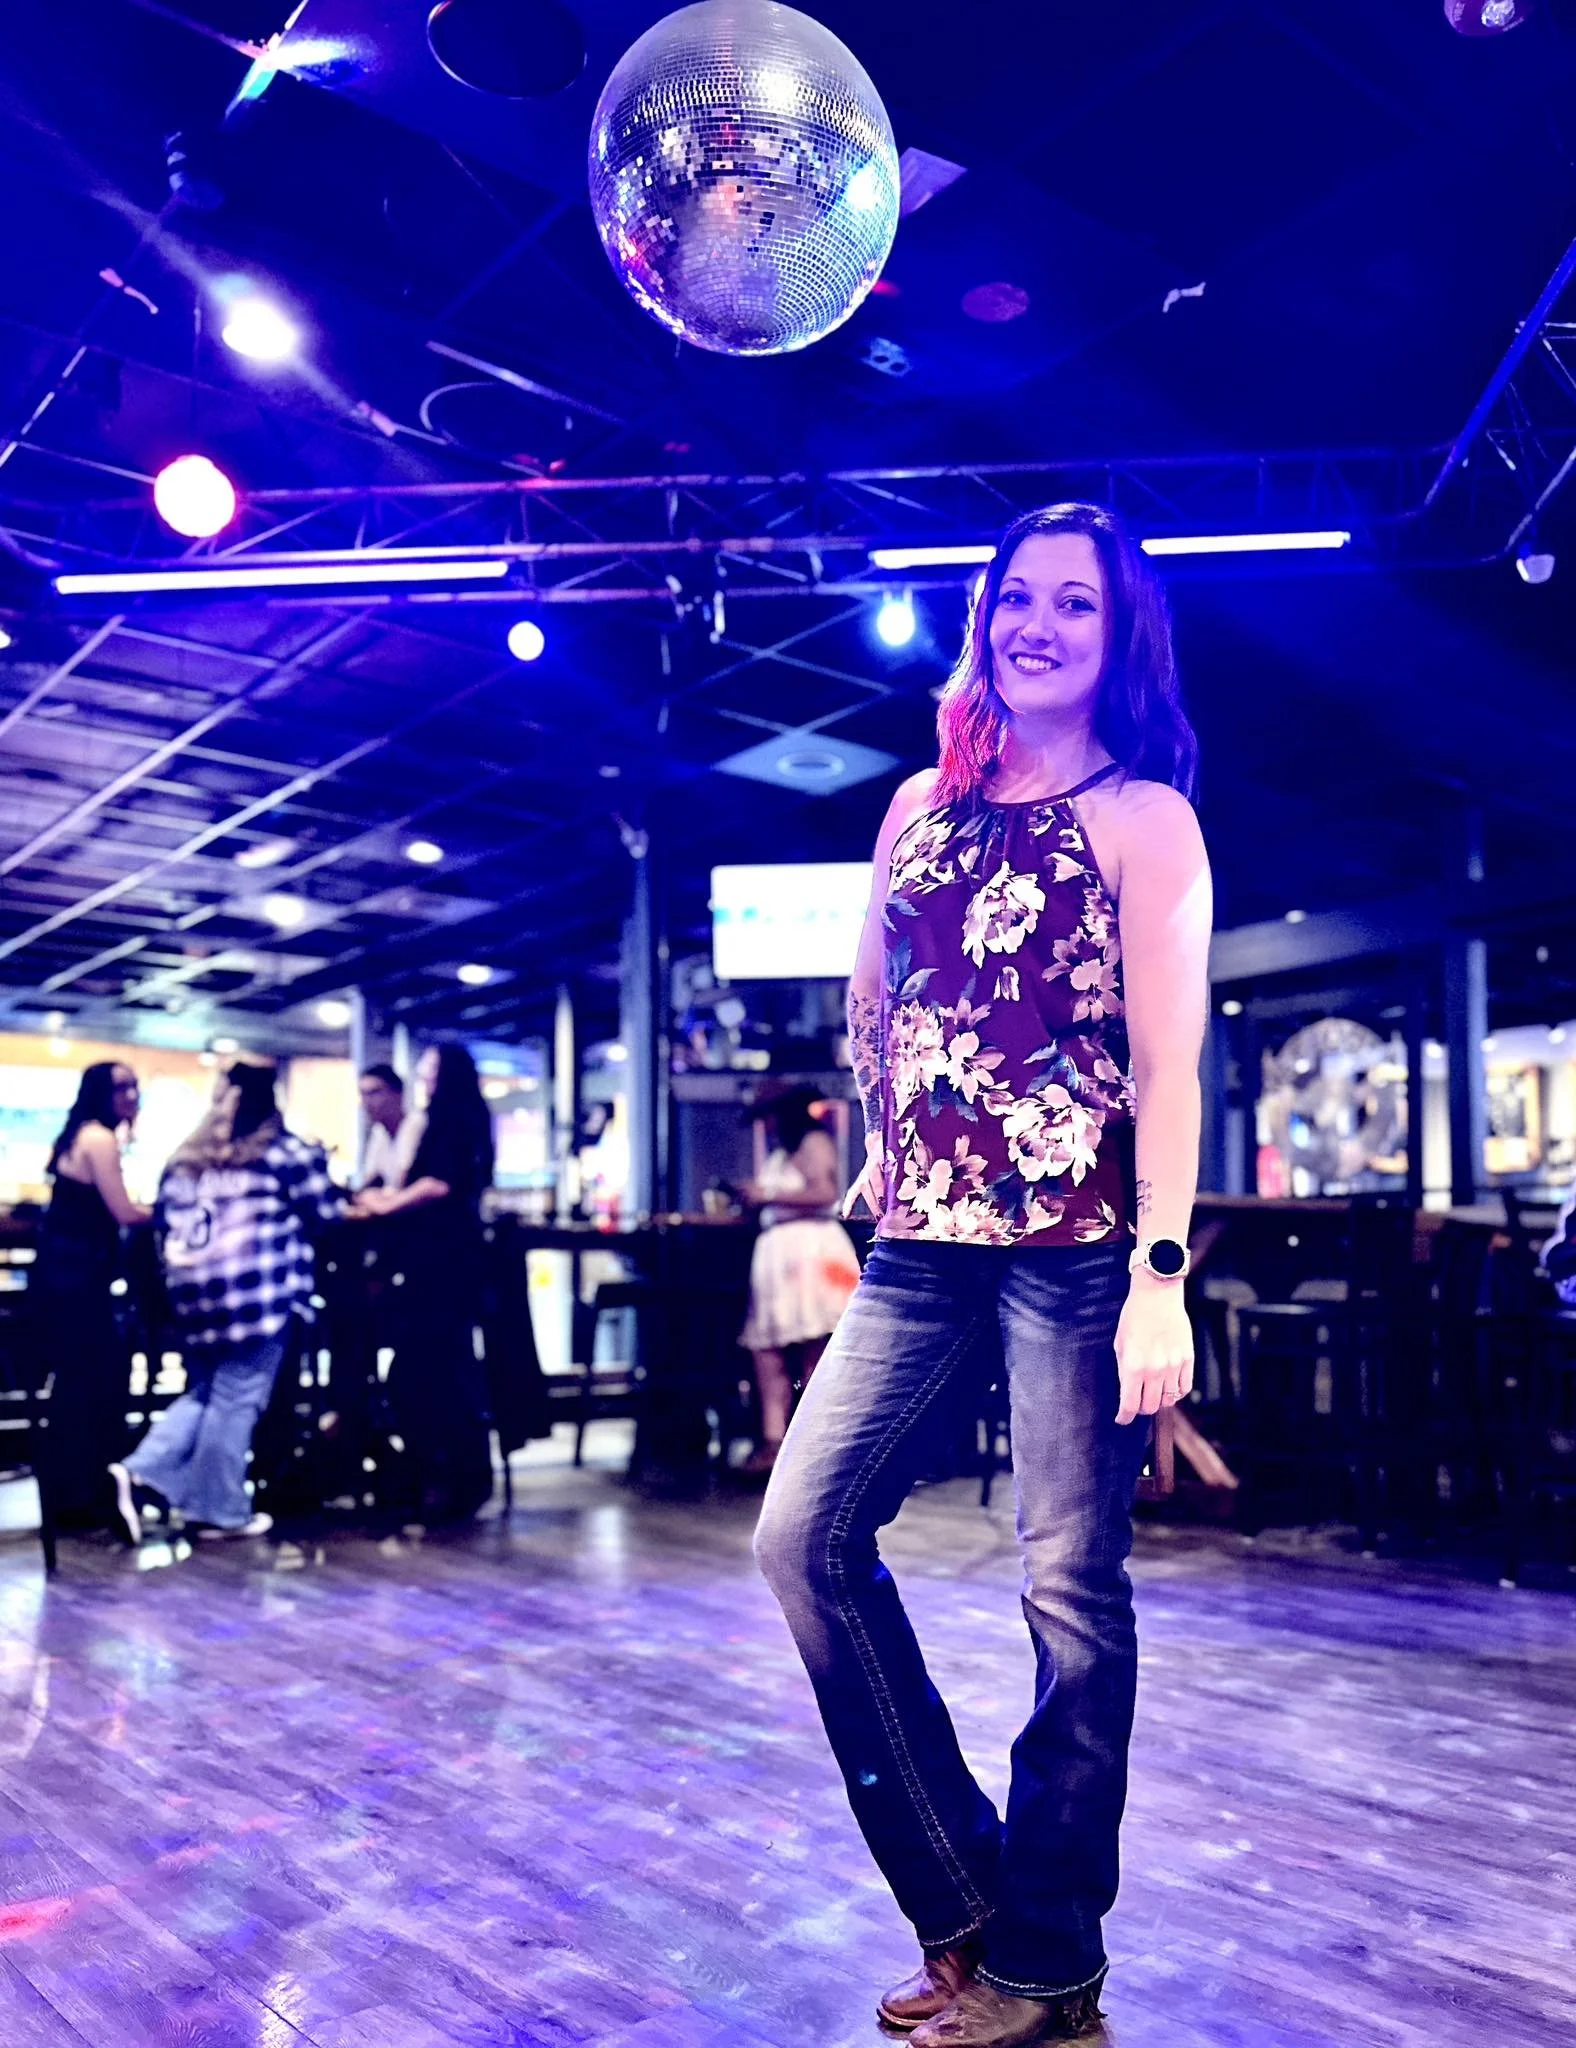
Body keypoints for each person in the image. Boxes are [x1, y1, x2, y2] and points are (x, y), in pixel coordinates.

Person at [753, 502, 1212, 2047]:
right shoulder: (914, 806)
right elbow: (871, 997)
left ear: (1117, 636)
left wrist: (1163, 1271)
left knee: (1068, 1597)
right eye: (1018, 597)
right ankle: (968, 1904)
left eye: (1074, 605)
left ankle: (1047, 1966)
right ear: (986, 618)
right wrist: (882, 1138)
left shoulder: (1146, 817)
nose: (1038, 623)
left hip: (1080, 1256)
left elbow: (1171, 1063)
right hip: (924, 1250)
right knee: (801, 1537)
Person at [109, 1062, 345, 1542]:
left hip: (191, 1294)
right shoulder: (283, 1152)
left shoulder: (185, 1157)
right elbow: (327, 1213)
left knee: (207, 1393)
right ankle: (218, 1508)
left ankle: (140, 1473)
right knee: (237, 1399)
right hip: (256, 1294)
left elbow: (161, 1220)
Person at [353, 1044, 495, 1525]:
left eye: (429, 1070)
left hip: (442, 1264)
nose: (423, 1078)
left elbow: (439, 1185)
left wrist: (387, 1206)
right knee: (434, 1370)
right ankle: (450, 1478)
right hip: (438, 1263)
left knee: (431, 1372)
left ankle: (452, 1479)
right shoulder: (450, 1121)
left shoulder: (452, 1123)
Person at [31, 1063, 151, 1529]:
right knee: (93, 1383)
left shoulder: (78, 1135)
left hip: (63, 1278)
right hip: (79, 1281)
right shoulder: (100, 1138)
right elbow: (122, 1211)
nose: (131, 1095)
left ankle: (72, 1494)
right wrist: (166, 1212)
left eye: (134, 1085)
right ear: (99, 1093)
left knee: (77, 1384)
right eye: (121, 1086)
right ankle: (83, 1495)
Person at [737, 1085, 860, 1478]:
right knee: (770, 1348)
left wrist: (766, 1195)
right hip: (782, 1253)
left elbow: (826, 1192)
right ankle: (777, 1440)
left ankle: (815, 1445)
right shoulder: (782, 1151)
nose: (766, 1125)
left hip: (809, 1251)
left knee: (814, 1348)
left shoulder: (814, 1142)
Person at [358, 1062, 423, 1190]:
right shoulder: (379, 1131)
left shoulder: (416, 1124)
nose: (367, 1102)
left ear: (398, 1094)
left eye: (374, 1093)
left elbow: (404, 1182)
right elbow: (370, 1180)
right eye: (363, 1094)